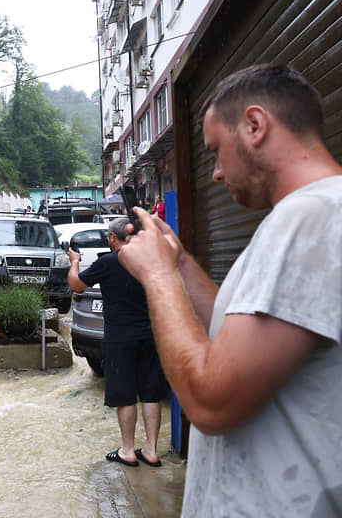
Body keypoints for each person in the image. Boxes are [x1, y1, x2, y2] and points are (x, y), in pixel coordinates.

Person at [118, 64, 342, 516]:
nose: (216, 173)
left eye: (217, 152)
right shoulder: (316, 215)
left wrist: (158, 277)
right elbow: (237, 336)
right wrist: (177, 260)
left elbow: (210, 401)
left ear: (256, 126)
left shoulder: (310, 218)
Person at [67, 217, 168, 468]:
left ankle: (127, 451)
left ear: (113, 238)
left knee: (125, 396)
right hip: (151, 335)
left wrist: (74, 262)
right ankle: (152, 450)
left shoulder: (108, 262)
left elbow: (75, 284)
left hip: (119, 339)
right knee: (150, 394)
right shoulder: (150, 260)